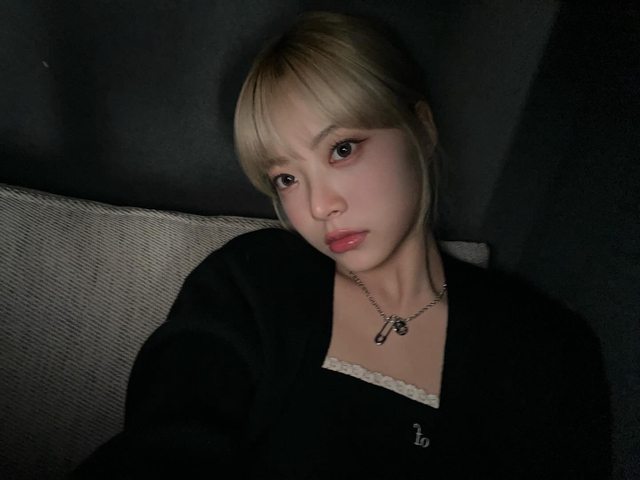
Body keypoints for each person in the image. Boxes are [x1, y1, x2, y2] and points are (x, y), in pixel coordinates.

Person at [72, 11, 611, 479]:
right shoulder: (252, 284)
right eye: (286, 178)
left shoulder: (546, 345)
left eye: (342, 149)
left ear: (421, 130)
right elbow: (163, 448)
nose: (317, 206)